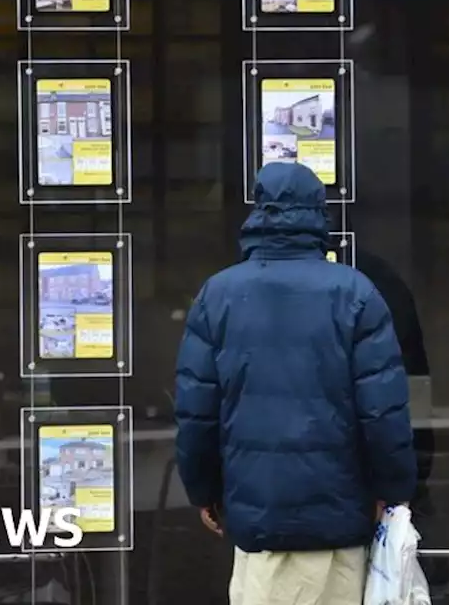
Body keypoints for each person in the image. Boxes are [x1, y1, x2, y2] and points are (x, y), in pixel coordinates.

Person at [174, 161, 417, 605]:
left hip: (259, 521)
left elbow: (197, 412)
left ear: (258, 211)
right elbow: (383, 412)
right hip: (339, 519)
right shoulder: (356, 292)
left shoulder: (218, 295)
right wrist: (393, 490)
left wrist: (204, 490)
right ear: (320, 215)